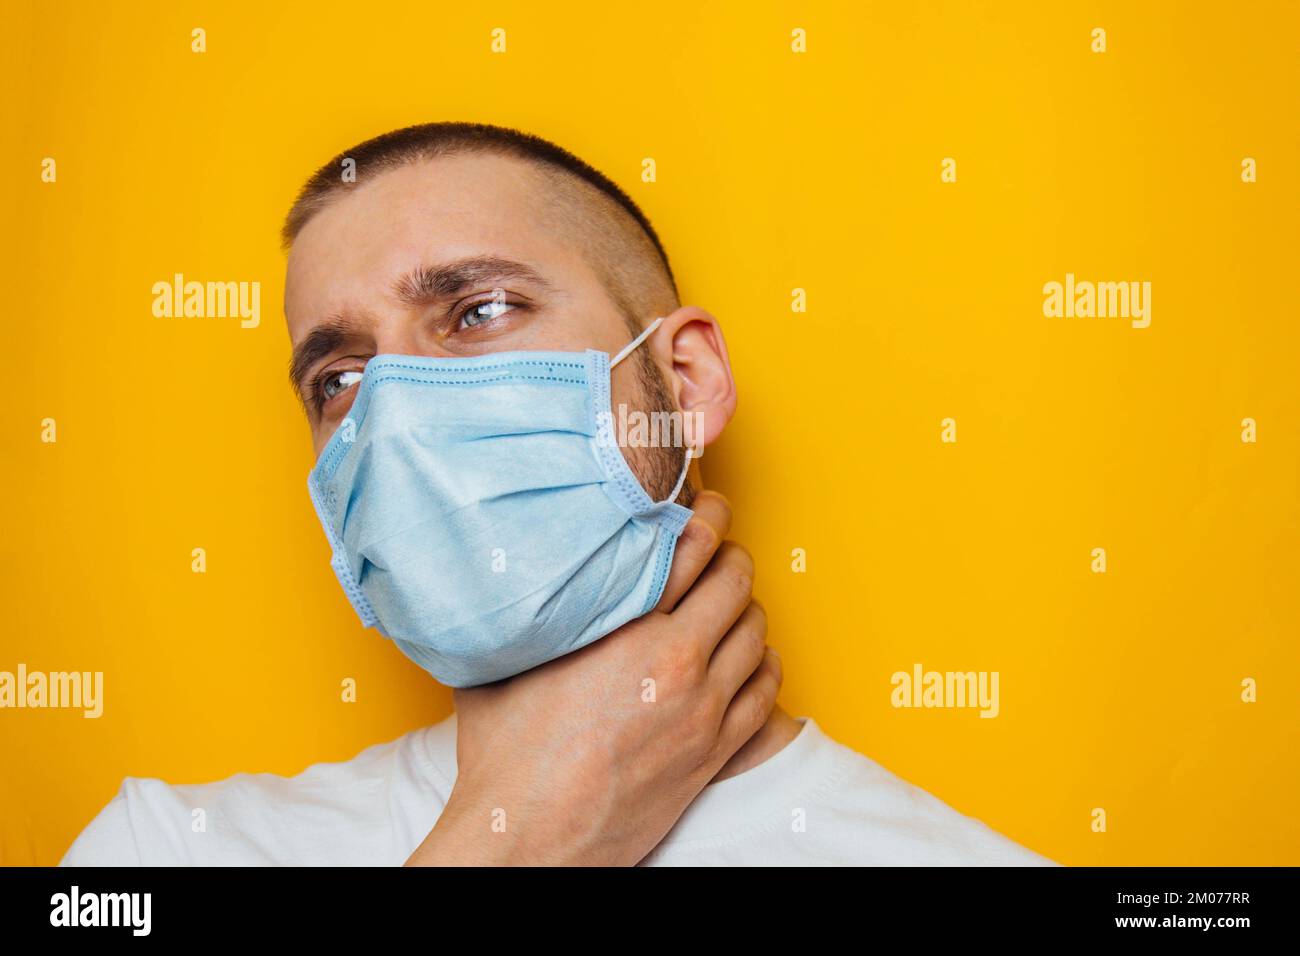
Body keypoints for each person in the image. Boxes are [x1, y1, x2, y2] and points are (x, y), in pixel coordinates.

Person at [61, 123, 1055, 866]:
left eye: (478, 310)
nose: (394, 411)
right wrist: (520, 842)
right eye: (339, 379)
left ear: (688, 380)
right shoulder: (163, 852)